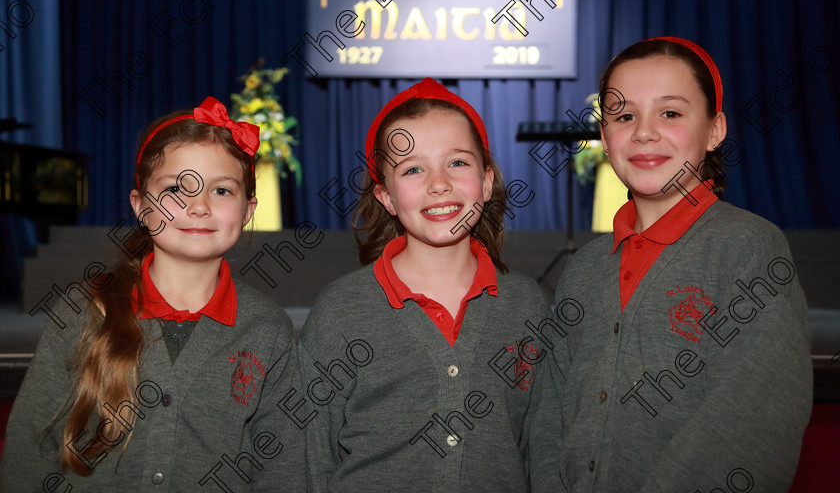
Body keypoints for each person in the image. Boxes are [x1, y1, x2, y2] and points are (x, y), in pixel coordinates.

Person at [0, 97, 305, 491]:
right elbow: (30, 451)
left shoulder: (269, 329)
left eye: (222, 191)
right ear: (141, 206)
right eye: (178, 189)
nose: (199, 206)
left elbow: (283, 468)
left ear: (248, 211)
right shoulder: (82, 311)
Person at [552, 37, 812, 492]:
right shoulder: (584, 269)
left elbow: (754, 420)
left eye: (670, 113)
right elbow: (548, 418)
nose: (644, 132)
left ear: (715, 130)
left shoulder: (747, 248)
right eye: (624, 115)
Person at [298, 78, 563, 492]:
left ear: (487, 180)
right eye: (413, 169)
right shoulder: (341, 310)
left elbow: (544, 441)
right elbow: (307, 455)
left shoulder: (525, 303)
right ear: (385, 195)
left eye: (457, 162)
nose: (438, 183)